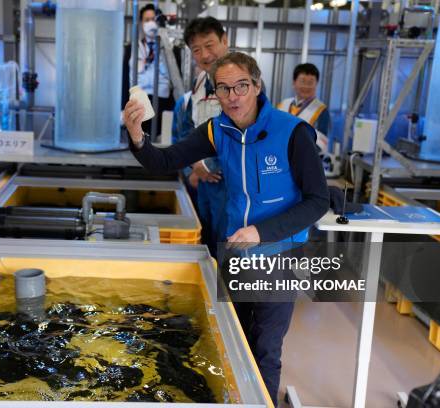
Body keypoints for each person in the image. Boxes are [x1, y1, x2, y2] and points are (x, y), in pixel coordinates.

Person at [124, 52, 329, 407]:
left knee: (265, 348)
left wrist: (262, 232)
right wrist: (137, 136)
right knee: (234, 338)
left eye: (241, 86)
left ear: (257, 85)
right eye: (224, 88)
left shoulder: (291, 131)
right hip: (235, 252)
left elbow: (317, 201)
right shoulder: (217, 130)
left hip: (279, 257)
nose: (233, 96)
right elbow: (166, 160)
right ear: (215, 92)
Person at [171, 17, 229, 257]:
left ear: (225, 41)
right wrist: (192, 170)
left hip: (231, 183)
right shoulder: (197, 88)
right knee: (205, 245)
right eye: (197, 49)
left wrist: (207, 165)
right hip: (202, 182)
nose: (205, 55)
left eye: (210, 45)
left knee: (231, 248)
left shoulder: (246, 82)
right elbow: (184, 133)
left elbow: (246, 134)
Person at [129, 3, 174, 138]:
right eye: (146, 20)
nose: (150, 23)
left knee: (160, 138)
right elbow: (134, 75)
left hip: (162, 99)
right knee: (141, 138)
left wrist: (145, 70)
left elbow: (169, 76)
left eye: (153, 19)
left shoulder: (168, 48)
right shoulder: (136, 47)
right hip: (140, 99)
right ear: (141, 24)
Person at [277, 63, 330, 147]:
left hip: (305, 156)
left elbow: (321, 142)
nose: (306, 86)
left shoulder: (321, 110)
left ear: (316, 84)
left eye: (310, 82)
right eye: (302, 81)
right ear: (294, 83)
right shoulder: (283, 104)